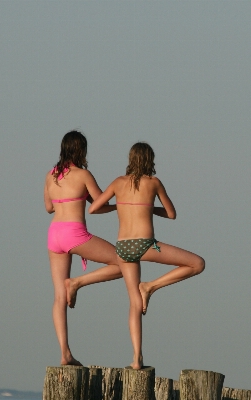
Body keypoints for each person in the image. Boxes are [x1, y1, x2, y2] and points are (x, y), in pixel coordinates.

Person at [89, 142, 205, 370]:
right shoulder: (154, 183)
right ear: (150, 160)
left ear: (131, 159)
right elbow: (171, 214)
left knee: (133, 304)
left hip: (122, 247)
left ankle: (136, 358)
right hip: (145, 244)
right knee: (197, 263)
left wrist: (120, 206)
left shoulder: (118, 182)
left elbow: (93, 209)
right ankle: (151, 286)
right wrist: (148, 208)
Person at [44, 130, 123, 366]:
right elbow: (100, 205)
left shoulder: (50, 175)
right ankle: (77, 282)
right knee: (122, 263)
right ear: (81, 150)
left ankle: (65, 353)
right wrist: (118, 207)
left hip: (54, 234)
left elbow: (48, 207)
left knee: (59, 297)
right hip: (74, 233)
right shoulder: (83, 174)